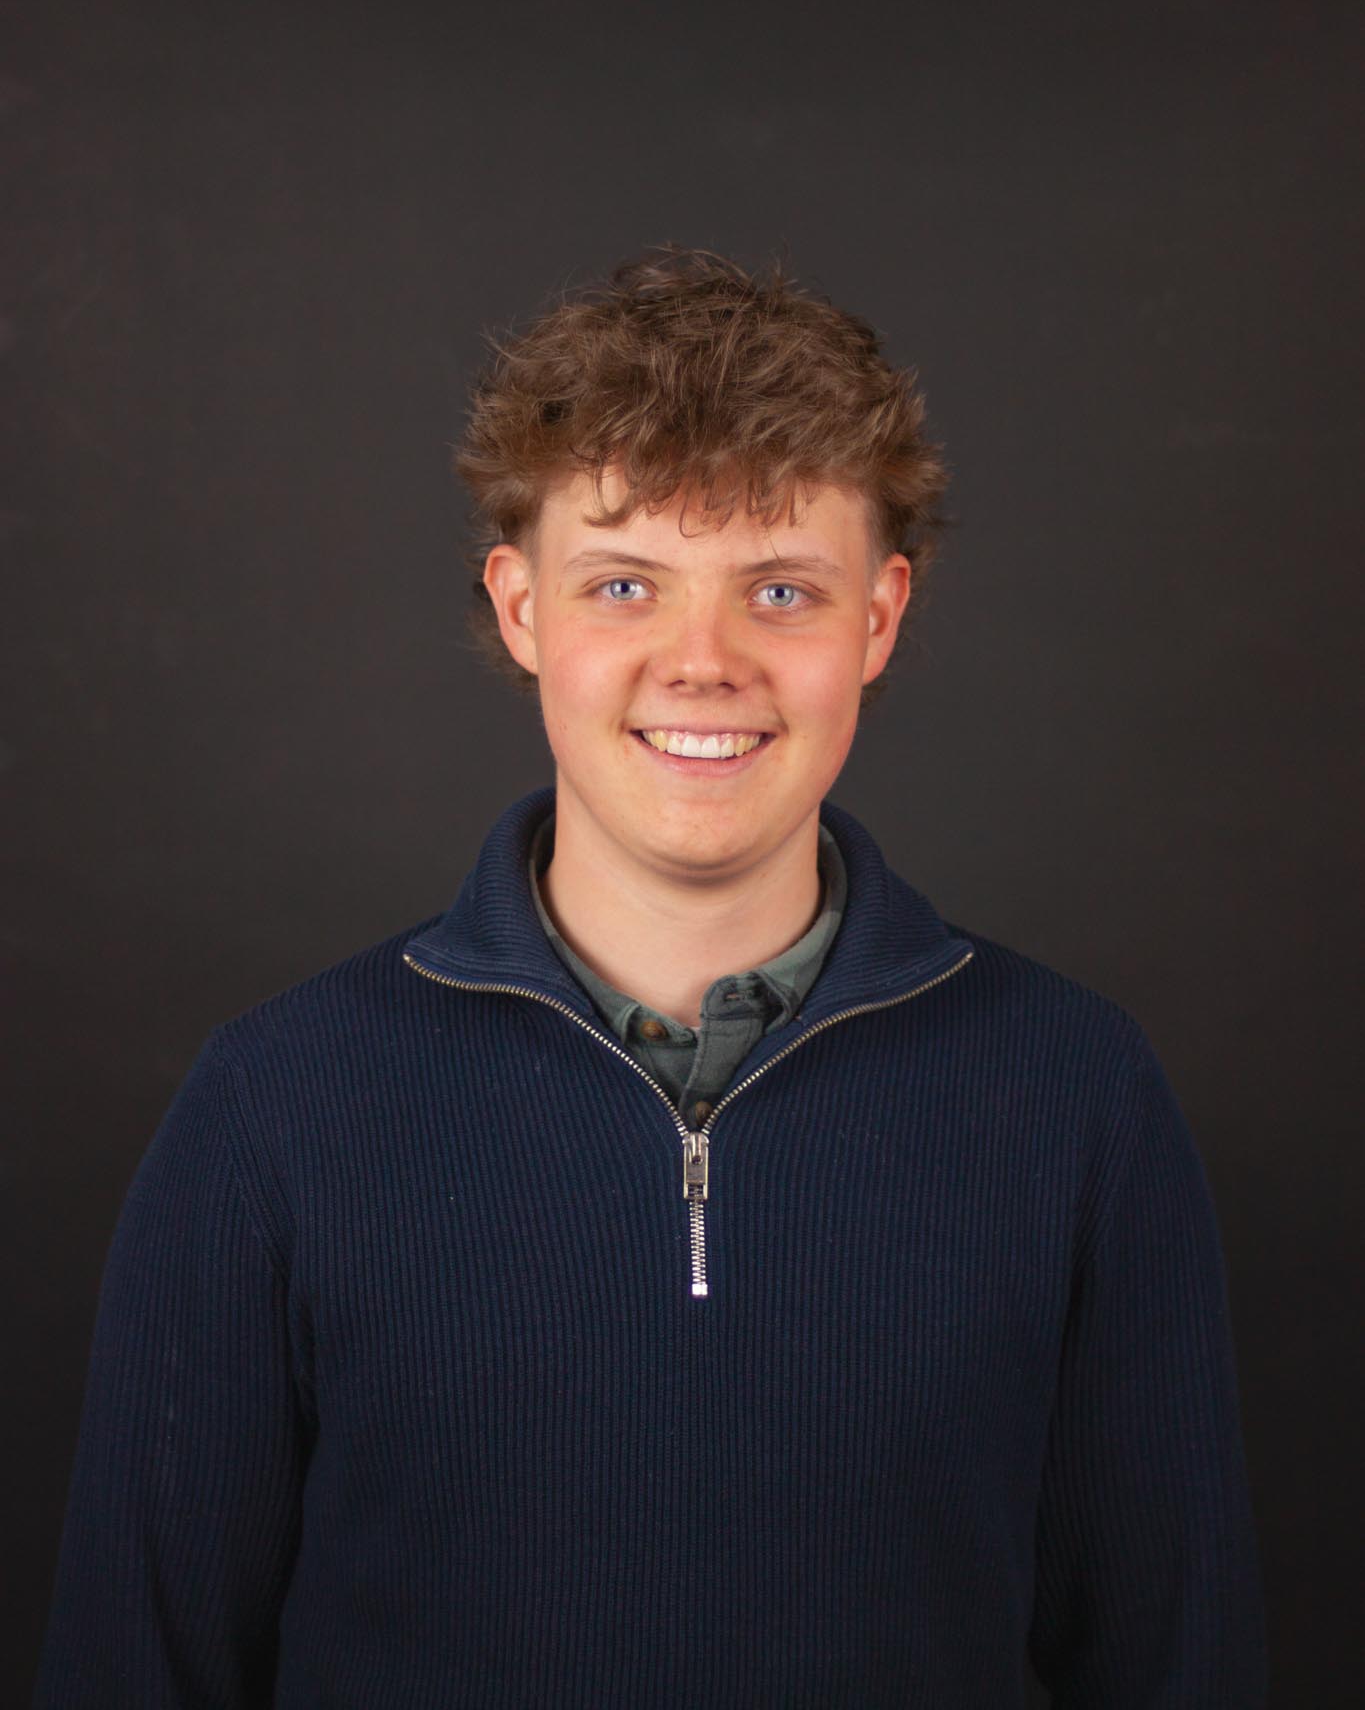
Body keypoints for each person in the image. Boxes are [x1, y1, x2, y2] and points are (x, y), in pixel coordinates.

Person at [35, 246, 1267, 1706]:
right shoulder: (275, 1105)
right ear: (521, 609)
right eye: (624, 584)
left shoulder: (1076, 1092)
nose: (703, 661)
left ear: (878, 619)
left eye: (781, 591)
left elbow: (1176, 1663)